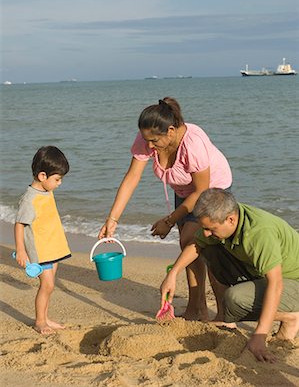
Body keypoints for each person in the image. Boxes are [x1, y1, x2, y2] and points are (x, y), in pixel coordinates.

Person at [99, 97, 232, 320]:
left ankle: (223, 314)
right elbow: (132, 178)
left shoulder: (193, 143)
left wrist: (169, 221)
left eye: (154, 140)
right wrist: (112, 219)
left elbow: (201, 192)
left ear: (170, 131)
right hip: (183, 192)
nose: (149, 145)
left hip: (212, 191)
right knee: (188, 245)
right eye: (145, 139)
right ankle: (196, 307)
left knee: (207, 248)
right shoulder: (148, 137)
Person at [160, 188, 299, 362]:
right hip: (263, 274)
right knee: (209, 249)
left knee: (234, 300)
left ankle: (291, 317)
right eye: (204, 228)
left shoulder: (258, 233)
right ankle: (227, 318)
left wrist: (260, 335)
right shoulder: (227, 216)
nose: (206, 233)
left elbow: (276, 284)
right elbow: (197, 243)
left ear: (231, 219)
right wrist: (172, 274)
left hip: (293, 281)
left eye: (211, 229)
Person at [14, 146, 71, 335]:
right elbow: (19, 224)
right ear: (42, 176)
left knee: (50, 285)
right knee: (47, 285)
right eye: (57, 179)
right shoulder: (29, 200)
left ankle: (45, 318)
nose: (60, 183)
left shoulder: (46, 191)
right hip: (40, 250)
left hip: (52, 247)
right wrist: (21, 250)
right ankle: (39, 321)